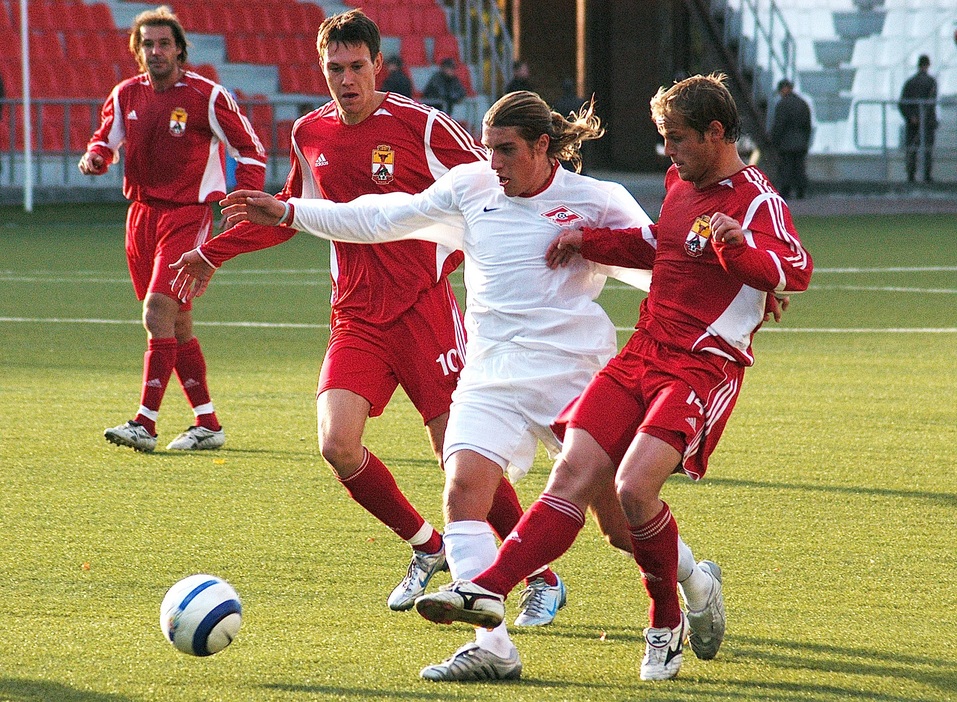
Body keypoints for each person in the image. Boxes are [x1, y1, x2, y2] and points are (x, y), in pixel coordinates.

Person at [178, 90, 659, 682]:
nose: (492, 163)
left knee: (618, 522)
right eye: (488, 150)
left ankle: (686, 579)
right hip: (481, 369)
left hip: (566, 371)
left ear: (543, 146)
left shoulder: (598, 199)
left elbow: (659, 266)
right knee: (457, 487)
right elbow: (377, 216)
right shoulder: (471, 185)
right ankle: (493, 645)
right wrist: (289, 213)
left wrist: (737, 291)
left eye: (505, 151)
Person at [164, 11, 566, 622]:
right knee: (337, 443)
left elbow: (495, 186)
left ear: (378, 65)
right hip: (355, 317)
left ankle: (539, 576)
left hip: (422, 311)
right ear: (321, 68)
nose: (346, 79)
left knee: (458, 455)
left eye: (357, 67)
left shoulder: (422, 126)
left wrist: (480, 253)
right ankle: (426, 547)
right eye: (335, 69)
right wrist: (212, 253)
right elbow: (291, 216)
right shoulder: (309, 133)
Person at [412, 73, 813, 682]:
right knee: (572, 474)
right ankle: (487, 591)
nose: (669, 154)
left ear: (715, 132)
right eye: (663, 140)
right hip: (643, 351)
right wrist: (586, 239)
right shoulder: (682, 184)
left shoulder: (756, 199)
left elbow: (795, 268)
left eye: (677, 139)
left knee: (631, 492)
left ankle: (664, 617)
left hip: (702, 368)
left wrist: (746, 261)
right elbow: (661, 243)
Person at [78, 5, 265, 453]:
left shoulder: (207, 96)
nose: (156, 51)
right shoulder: (125, 94)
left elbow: (251, 149)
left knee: (156, 311)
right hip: (141, 216)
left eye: (164, 43)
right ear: (137, 51)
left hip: (187, 215)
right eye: (147, 44)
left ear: (180, 50)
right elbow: (106, 138)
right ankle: (208, 423)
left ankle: (144, 422)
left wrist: (245, 200)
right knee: (176, 323)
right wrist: (97, 157)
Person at [769, 79, 812, 199]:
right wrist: (805, 140)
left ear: (783, 89)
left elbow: (779, 125)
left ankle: (785, 191)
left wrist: (775, 141)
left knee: (786, 168)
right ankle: (801, 191)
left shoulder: (782, 104)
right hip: (801, 142)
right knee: (799, 168)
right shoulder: (803, 103)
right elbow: (807, 125)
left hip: (786, 143)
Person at [898, 55, 938, 183]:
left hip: (913, 122)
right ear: (927, 65)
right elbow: (931, 104)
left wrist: (911, 117)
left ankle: (911, 175)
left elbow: (902, 103)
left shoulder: (910, 82)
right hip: (927, 122)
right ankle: (926, 176)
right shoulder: (931, 82)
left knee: (912, 149)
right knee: (927, 149)